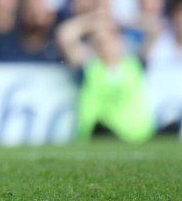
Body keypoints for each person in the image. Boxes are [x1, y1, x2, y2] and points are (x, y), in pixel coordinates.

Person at [55, 8, 157, 143]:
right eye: (99, 41)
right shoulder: (89, 67)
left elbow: (154, 28)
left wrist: (119, 20)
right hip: (97, 133)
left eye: (109, 39)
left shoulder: (135, 64)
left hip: (134, 134)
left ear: (119, 40)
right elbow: (64, 35)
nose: (105, 45)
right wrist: (92, 20)